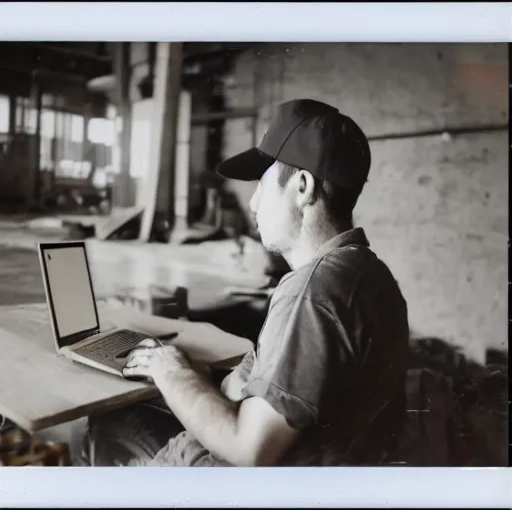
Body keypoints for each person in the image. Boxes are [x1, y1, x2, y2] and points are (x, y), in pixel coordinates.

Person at [71, 99, 410, 467]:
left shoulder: (313, 292)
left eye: (263, 184)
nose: (252, 203)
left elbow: (249, 449)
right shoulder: (369, 272)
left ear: (302, 186)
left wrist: (172, 372)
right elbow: (248, 387)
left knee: (98, 425)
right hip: (333, 467)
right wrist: (189, 373)